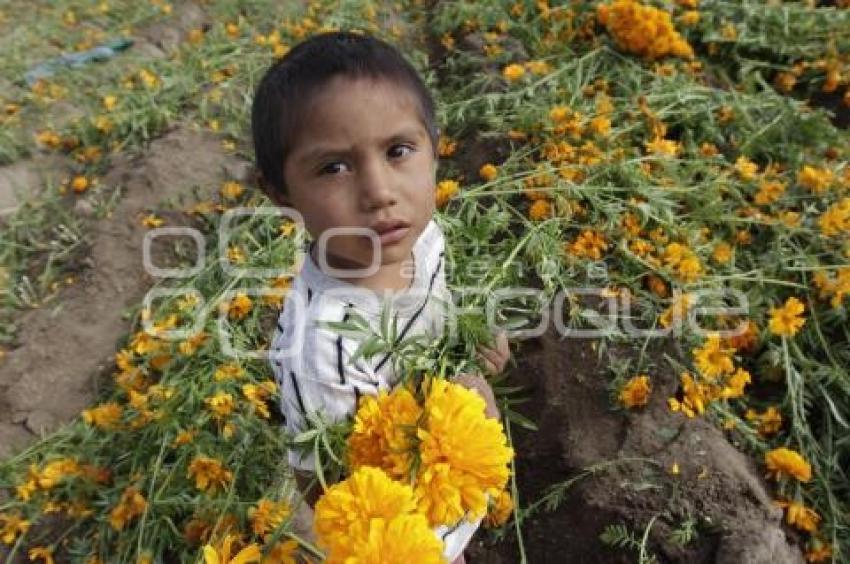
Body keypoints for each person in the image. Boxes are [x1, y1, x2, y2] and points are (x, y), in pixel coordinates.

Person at [251, 30, 511, 563]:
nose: (378, 192)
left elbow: (441, 311)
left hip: (450, 506)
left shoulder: (425, 236)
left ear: (436, 151)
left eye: (398, 151)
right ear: (280, 193)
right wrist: (445, 427)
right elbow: (324, 487)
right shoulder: (322, 348)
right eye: (334, 168)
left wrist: (476, 344)